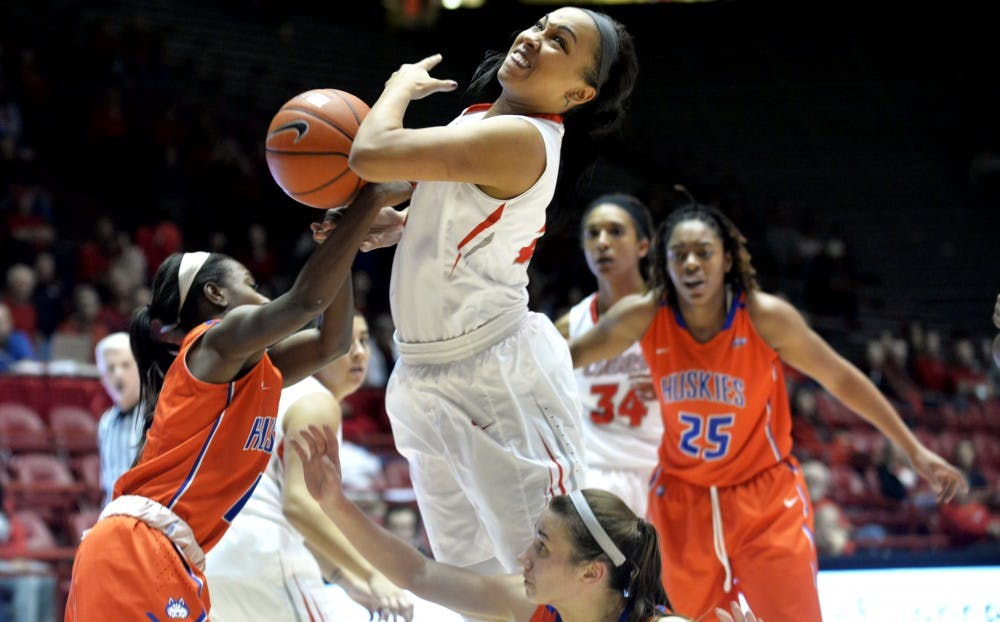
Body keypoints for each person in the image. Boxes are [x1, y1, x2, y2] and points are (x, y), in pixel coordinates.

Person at [339, 6, 639, 575]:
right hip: (425, 372)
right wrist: (406, 223)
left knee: (554, 582)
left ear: (578, 93)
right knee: (474, 583)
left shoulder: (521, 137)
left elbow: (368, 154)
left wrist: (397, 88)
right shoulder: (480, 122)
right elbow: (478, 222)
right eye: (541, 24)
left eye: (560, 41)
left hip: (496, 377)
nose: (533, 37)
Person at [567, 200, 968, 622]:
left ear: (727, 259)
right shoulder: (647, 315)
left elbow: (842, 378)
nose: (690, 264)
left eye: (703, 252)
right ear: (664, 262)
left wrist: (913, 449)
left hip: (764, 499)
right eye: (679, 254)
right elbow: (565, 357)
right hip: (682, 503)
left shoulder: (764, 318)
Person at [63, 181, 414, 620]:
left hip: (174, 552)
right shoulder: (215, 340)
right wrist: (368, 201)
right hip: (138, 545)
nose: (261, 289)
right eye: (249, 281)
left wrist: (340, 237)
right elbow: (306, 301)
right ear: (216, 295)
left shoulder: (254, 367)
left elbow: (331, 342)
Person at [290, 424, 689, 622]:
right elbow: (419, 574)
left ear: (592, 573)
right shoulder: (533, 605)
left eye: (543, 548)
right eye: (536, 541)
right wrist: (336, 504)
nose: (523, 557)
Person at [204, 311, 413, 621]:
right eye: (345, 342)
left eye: (364, 340)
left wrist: (345, 579)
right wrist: (371, 575)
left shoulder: (272, 393)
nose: (358, 352)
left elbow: (296, 520)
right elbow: (298, 506)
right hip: (264, 555)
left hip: (215, 557)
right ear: (312, 346)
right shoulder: (316, 401)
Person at [554, 194, 661, 517]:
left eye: (616, 232)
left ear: (644, 245)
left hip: (663, 471)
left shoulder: (672, 316)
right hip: (595, 477)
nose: (602, 242)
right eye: (593, 233)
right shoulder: (570, 326)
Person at [94, 332, 143, 507]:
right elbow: (108, 485)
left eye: (125, 365)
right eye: (110, 368)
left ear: (140, 367)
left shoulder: (158, 415)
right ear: (102, 376)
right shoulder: (106, 422)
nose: (118, 375)